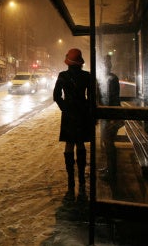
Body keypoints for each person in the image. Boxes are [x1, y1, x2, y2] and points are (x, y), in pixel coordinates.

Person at [53, 48, 91, 197]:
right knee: (80, 143)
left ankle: (71, 180)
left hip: (69, 115)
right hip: (82, 114)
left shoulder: (63, 76)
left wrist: (65, 108)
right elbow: (92, 96)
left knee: (69, 144)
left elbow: (56, 96)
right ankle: (81, 177)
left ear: (68, 62)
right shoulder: (86, 76)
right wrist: (86, 108)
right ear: (80, 62)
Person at [98, 54, 122, 181]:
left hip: (111, 116)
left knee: (109, 143)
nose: (106, 65)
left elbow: (111, 99)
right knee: (107, 143)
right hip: (108, 115)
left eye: (107, 63)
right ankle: (109, 168)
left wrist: (112, 117)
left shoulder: (111, 79)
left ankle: (112, 172)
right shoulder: (109, 78)